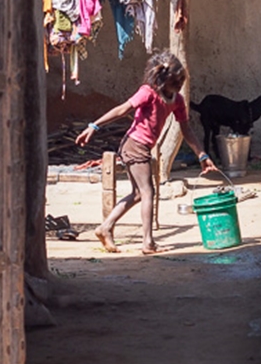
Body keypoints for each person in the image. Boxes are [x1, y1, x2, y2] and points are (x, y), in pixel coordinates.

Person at [75, 50, 218, 254]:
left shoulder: (177, 101)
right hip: (134, 145)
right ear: (161, 80)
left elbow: (186, 129)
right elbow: (123, 109)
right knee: (147, 191)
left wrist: (202, 155)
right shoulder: (148, 92)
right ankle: (148, 242)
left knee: (137, 194)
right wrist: (94, 126)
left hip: (141, 146)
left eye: (180, 82)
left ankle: (105, 228)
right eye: (174, 82)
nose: (178, 87)